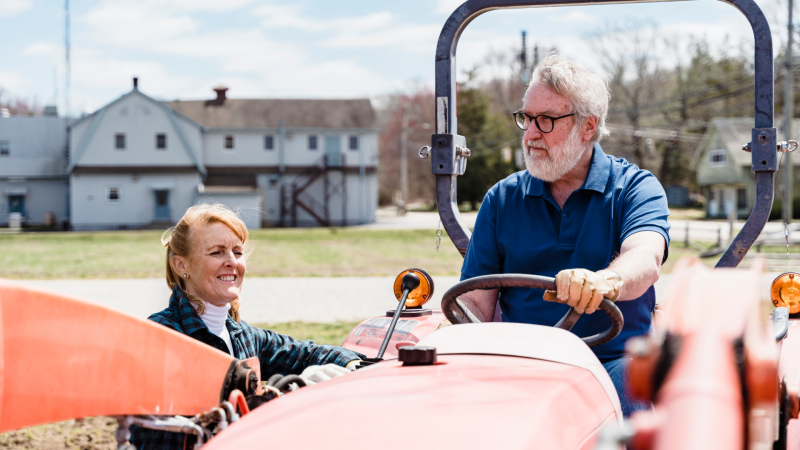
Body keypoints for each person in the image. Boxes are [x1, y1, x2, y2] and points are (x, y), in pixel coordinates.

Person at [455, 53, 669, 416]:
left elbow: (645, 258)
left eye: (547, 120)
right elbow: (475, 303)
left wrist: (605, 282)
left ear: (588, 127)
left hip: (612, 358)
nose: (531, 133)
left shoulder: (634, 187)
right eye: (526, 118)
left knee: (632, 408)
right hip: (522, 360)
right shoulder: (502, 199)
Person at [130, 203, 364, 449]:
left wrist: (358, 365)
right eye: (217, 252)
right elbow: (165, 438)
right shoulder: (161, 335)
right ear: (181, 265)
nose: (232, 262)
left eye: (237, 252)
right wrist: (279, 397)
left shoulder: (243, 335)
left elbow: (307, 353)